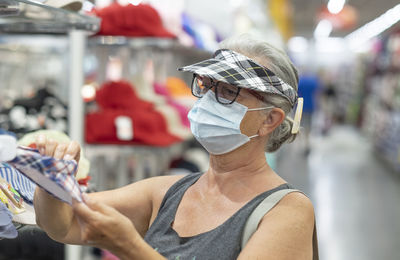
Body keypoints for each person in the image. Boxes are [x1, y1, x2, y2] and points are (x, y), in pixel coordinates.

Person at [34, 34, 315, 260]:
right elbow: (65, 224)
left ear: (269, 119)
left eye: (228, 92)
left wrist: (130, 247)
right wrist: (49, 182)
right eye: (206, 86)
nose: (207, 101)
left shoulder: (286, 212)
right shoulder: (166, 193)